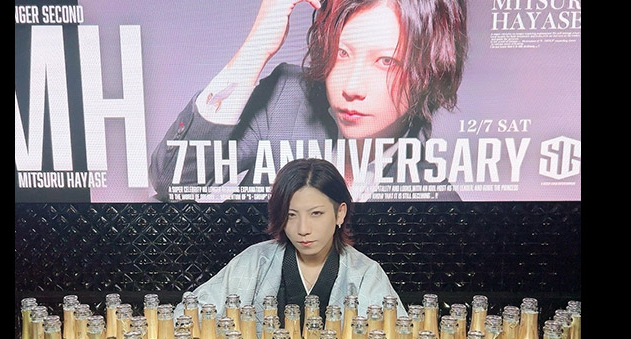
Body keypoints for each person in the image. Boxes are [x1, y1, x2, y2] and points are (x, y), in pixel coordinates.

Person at [149, 0, 468, 202]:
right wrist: (256, 48)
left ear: (430, 70)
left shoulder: (435, 201)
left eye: (386, 61)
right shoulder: (285, 100)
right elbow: (170, 182)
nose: (351, 86)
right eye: (342, 52)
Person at [173, 157, 407, 334]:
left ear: (340, 213)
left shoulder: (365, 273)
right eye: (291, 215)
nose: (303, 229)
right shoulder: (255, 261)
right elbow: (186, 314)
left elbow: (399, 337)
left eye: (316, 213)